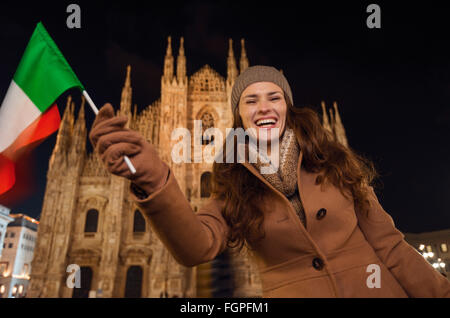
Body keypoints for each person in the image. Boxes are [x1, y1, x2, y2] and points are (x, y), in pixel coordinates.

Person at [89, 65, 450, 297]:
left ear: (288, 107)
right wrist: (155, 179)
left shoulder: (336, 163)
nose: (263, 107)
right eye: (250, 101)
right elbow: (196, 245)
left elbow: (392, 249)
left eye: (273, 97)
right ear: (239, 118)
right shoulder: (234, 183)